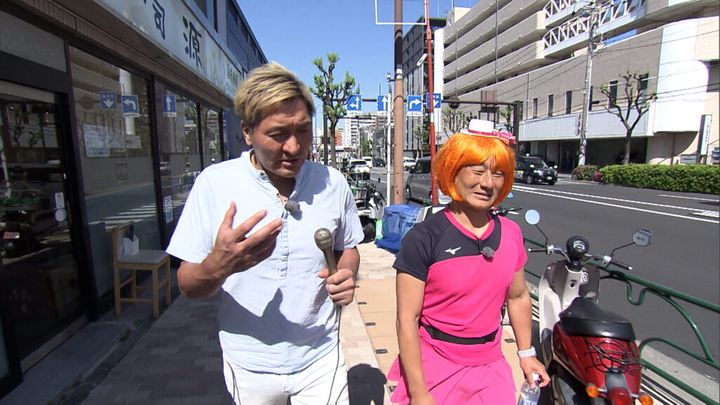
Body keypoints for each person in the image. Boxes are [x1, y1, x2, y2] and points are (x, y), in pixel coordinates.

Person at [166, 62, 363, 405]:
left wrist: (346, 273)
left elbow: (348, 247)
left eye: (303, 130)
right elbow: (187, 285)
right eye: (278, 134)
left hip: (320, 353)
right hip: (248, 362)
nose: (294, 147)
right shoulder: (215, 184)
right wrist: (218, 266)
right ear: (247, 132)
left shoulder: (332, 182)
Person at [387, 119, 550, 404]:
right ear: (454, 170)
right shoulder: (424, 237)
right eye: (477, 171)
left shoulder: (511, 233)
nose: (487, 183)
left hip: (491, 363)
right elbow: (407, 320)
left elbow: (518, 296)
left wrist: (526, 354)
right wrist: (419, 392)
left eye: (498, 174)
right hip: (435, 363)